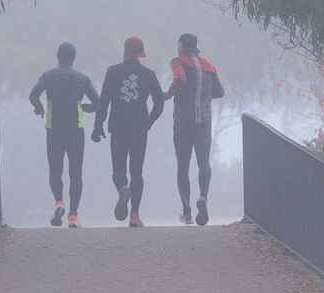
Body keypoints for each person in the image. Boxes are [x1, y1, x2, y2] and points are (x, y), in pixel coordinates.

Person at [91, 37, 164, 227]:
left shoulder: (113, 72)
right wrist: (149, 121)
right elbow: (159, 102)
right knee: (137, 172)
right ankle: (135, 216)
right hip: (140, 129)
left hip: (118, 128)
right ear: (140, 54)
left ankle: (123, 189)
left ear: (125, 50)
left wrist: (98, 126)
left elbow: (104, 102)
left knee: (118, 170)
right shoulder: (148, 74)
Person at [29, 42, 99, 228]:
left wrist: (39, 107)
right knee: (76, 172)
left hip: (54, 129)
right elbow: (97, 102)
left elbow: (33, 94)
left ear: (58, 56)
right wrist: (86, 107)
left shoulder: (48, 76)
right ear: (73, 58)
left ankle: (59, 202)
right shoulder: (82, 78)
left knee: (55, 170)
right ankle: (73, 216)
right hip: (76, 129)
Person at [165, 33, 224, 226]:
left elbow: (180, 79)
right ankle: (204, 197)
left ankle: (187, 211)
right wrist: (204, 98)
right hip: (204, 122)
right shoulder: (209, 65)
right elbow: (220, 92)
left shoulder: (178, 61)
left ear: (181, 45)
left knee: (183, 164)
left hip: (183, 121)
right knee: (203, 162)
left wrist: (168, 94)